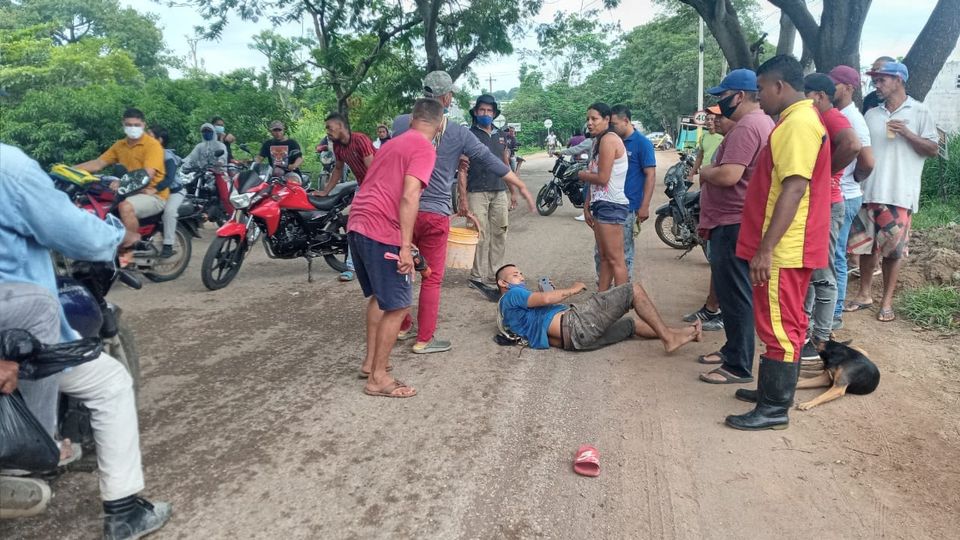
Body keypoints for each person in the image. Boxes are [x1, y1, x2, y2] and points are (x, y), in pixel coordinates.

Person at [0, 143, 171, 537]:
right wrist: (117, 237)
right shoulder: (9, 166)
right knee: (110, 384)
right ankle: (123, 511)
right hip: (15, 312)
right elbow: (70, 230)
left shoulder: (151, 149)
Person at [392, 71, 535, 354]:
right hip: (434, 213)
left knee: (403, 269)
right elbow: (489, 160)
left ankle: (402, 324)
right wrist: (518, 183)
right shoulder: (457, 133)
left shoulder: (399, 124)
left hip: (402, 211)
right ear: (447, 98)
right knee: (431, 277)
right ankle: (425, 339)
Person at [726, 55, 832, 431]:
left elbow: (794, 186)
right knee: (783, 322)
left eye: (760, 89)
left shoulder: (798, 124)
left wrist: (766, 248)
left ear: (778, 86)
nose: (759, 98)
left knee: (780, 327)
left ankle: (774, 408)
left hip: (784, 249)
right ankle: (770, 392)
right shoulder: (796, 121)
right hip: (790, 245)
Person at [347, 99, 445, 398]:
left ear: (413, 118)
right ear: (440, 124)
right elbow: (409, 195)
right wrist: (405, 245)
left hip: (357, 222)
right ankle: (378, 378)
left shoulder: (391, 144)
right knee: (399, 304)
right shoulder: (425, 147)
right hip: (381, 229)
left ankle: (369, 364)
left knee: (381, 296)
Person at [696, 69, 775, 385]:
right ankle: (732, 350)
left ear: (738, 96)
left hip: (733, 221)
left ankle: (739, 365)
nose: (720, 103)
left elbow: (729, 175)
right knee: (730, 293)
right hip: (735, 219)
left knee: (736, 294)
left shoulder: (747, 128)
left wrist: (704, 171)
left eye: (722, 97)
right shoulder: (760, 124)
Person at [846, 61, 939, 323]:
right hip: (868, 192)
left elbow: (932, 149)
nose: (876, 85)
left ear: (898, 80)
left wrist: (908, 134)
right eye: (875, 80)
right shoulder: (872, 114)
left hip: (899, 194)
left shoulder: (920, 111)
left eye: (881, 80)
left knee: (893, 252)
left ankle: (887, 301)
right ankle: (864, 294)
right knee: (865, 248)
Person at [495, 264, 701, 352]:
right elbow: (547, 298)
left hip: (575, 342)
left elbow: (544, 331)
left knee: (630, 325)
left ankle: (684, 333)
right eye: (514, 275)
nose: (520, 277)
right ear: (502, 284)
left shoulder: (507, 314)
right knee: (633, 290)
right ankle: (670, 338)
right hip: (577, 324)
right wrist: (573, 289)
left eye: (521, 273)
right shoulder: (513, 294)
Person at [800, 73, 862, 362]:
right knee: (812, 271)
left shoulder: (832, 116)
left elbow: (852, 145)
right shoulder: (819, 117)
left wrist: (824, 175)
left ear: (820, 97)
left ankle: (821, 339)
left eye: (807, 96)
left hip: (829, 203)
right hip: (821, 203)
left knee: (823, 273)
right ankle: (807, 331)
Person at [75, 107, 166, 254]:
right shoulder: (120, 145)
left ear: (143, 125)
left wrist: (123, 183)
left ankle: (128, 251)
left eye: (136, 125)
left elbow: (148, 173)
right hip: (129, 191)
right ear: (123, 124)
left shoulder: (152, 145)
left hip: (153, 194)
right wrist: (68, 170)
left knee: (125, 207)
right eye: (129, 125)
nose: (133, 128)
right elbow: (98, 163)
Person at [828, 65, 876, 329]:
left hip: (845, 195)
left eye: (834, 84)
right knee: (832, 254)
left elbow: (867, 161)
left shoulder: (853, 119)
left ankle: (833, 314)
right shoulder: (840, 114)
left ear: (848, 88)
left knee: (835, 255)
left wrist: (849, 178)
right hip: (842, 192)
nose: (829, 88)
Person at [460, 94, 517, 293]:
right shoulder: (469, 135)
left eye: (489, 111)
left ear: (494, 114)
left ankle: (496, 274)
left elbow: (505, 163)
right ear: (476, 113)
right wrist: (462, 198)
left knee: (500, 232)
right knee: (479, 234)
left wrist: (513, 191)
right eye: (482, 110)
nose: (486, 114)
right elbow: (462, 168)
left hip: (499, 190)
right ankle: (476, 276)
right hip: (476, 192)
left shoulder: (501, 135)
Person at [319, 113, 377, 282]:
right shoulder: (338, 147)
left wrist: (369, 196)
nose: (327, 131)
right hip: (364, 186)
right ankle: (352, 267)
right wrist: (325, 191)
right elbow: (337, 169)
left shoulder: (360, 139)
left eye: (330, 127)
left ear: (341, 126)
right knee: (354, 224)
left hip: (379, 184)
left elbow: (373, 170)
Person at [580, 102, 630, 291]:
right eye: (588, 119)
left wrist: (581, 175)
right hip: (601, 203)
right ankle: (601, 300)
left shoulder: (609, 140)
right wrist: (587, 206)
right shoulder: (598, 141)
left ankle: (621, 304)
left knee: (616, 259)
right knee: (604, 257)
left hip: (612, 204)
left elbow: (602, 178)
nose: (590, 123)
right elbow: (595, 184)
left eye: (594, 119)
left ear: (607, 120)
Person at [605, 105, 656, 279]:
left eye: (614, 124)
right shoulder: (610, 141)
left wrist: (645, 206)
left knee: (623, 253)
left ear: (626, 121)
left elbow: (650, 175)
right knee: (604, 253)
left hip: (628, 207)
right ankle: (605, 292)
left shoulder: (642, 144)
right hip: (608, 204)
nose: (612, 128)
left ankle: (623, 294)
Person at [150, 127, 185, 259]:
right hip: (155, 192)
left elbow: (169, 179)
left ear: (160, 140)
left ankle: (168, 245)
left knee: (169, 212)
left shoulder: (168, 157)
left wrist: (153, 189)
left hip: (174, 192)